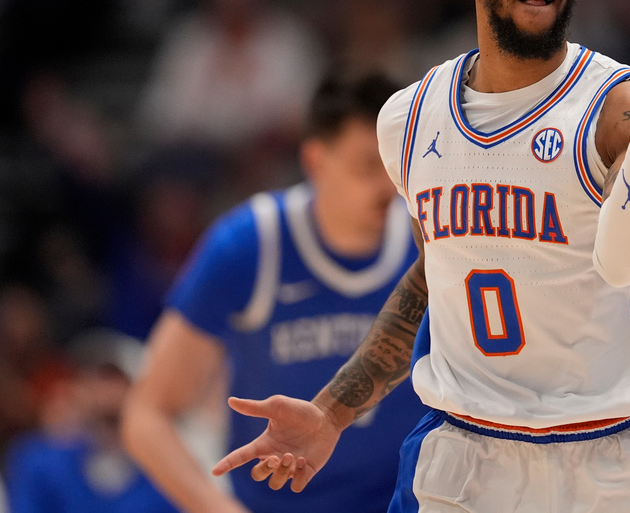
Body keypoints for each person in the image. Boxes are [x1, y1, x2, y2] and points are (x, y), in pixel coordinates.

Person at [212, 0, 630, 512]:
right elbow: (438, 274)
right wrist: (332, 412)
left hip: (602, 459)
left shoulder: (623, 105)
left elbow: (627, 258)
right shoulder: (406, 118)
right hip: (461, 455)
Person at [120, 72, 427, 512]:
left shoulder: (431, 238)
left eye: (395, 165)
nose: (388, 185)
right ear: (317, 161)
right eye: (367, 166)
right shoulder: (249, 245)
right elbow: (145, 415)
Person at [4, 328, 178, 513]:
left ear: (139, 387)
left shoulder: (165, 471)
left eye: (113, 376)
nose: (101, 387)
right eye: (89, 376)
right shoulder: (40, 463)